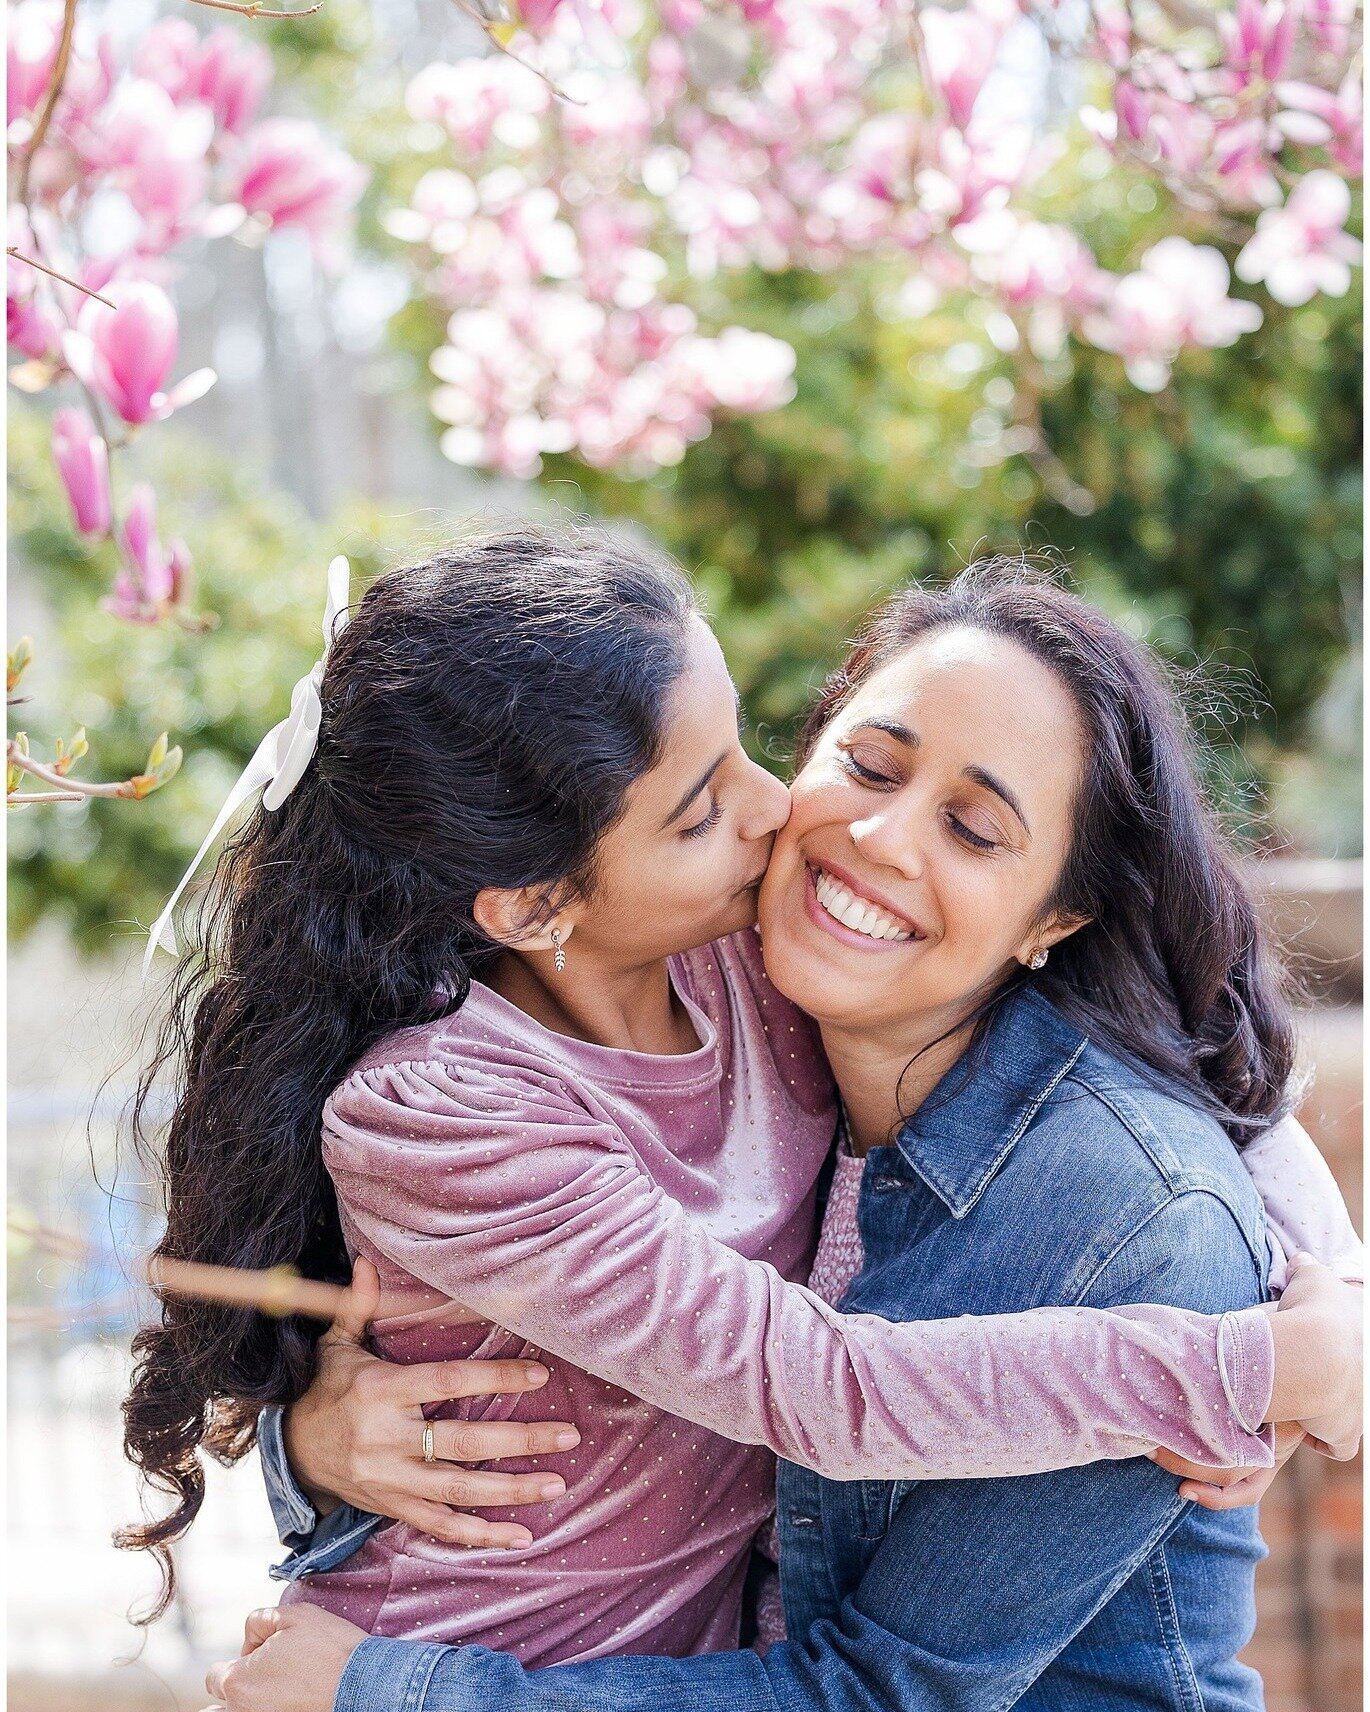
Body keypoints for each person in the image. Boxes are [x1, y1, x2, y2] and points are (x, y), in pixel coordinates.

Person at [118, 536, 1359, 1678]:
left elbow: (1206, 1095)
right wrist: (1228, 1365)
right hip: (482, 1663)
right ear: (536, 904)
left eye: (749, 747)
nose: (780, 811)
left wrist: (1335, 1291)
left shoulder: (749, 963)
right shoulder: (446, 1106)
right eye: (705, 803)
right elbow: (816, 1386)